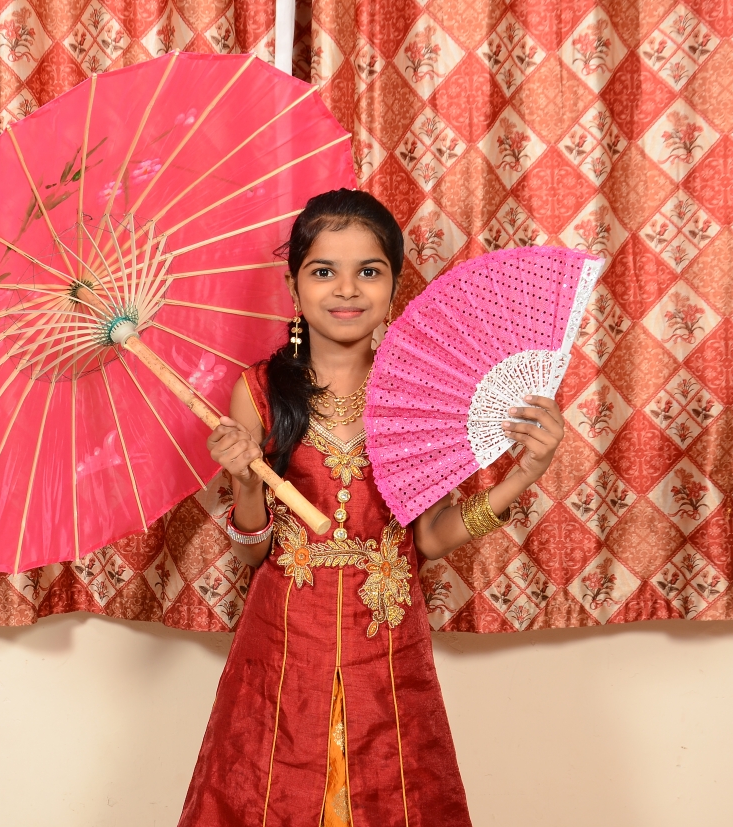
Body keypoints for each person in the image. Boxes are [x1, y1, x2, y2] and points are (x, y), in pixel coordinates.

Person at [178, 189, 565, 826]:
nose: (346, 289)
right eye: (322, 271)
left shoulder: (422, 391)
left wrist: (524, 475)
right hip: (283, 638)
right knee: (270, 793)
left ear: (394, 285)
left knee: (395, 794)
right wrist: (246, 483)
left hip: (386, 637)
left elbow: (429, 538)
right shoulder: (259, 392)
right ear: (293, 287)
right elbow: (252, 553)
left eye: (368, 270)